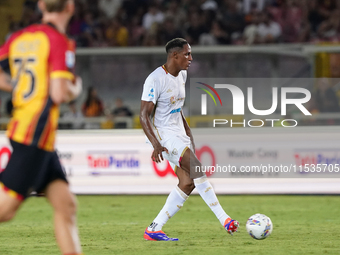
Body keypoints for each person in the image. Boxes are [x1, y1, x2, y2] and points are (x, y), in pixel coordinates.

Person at [0, 0, 83, 254]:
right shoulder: (58, 40)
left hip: (32, 133)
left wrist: (19, 87)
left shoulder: (19, 37)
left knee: (66, 206)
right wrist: (76, 87)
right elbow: (59, 93)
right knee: (4, 211)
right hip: (34, 136)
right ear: (70, 7)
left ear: (41, 5)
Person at [140, 38, 239, 241]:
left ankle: (154, 229)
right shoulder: (155, 79)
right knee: (197, 168)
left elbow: (178, 109)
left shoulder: (182, 75)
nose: (191, 58)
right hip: (164, 136)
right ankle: (225, 219)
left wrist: (188, 135)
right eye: (187, 54)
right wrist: (156, 144)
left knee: (187, 183)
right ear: (174, 56)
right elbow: (143, 115)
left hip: (178, 134)